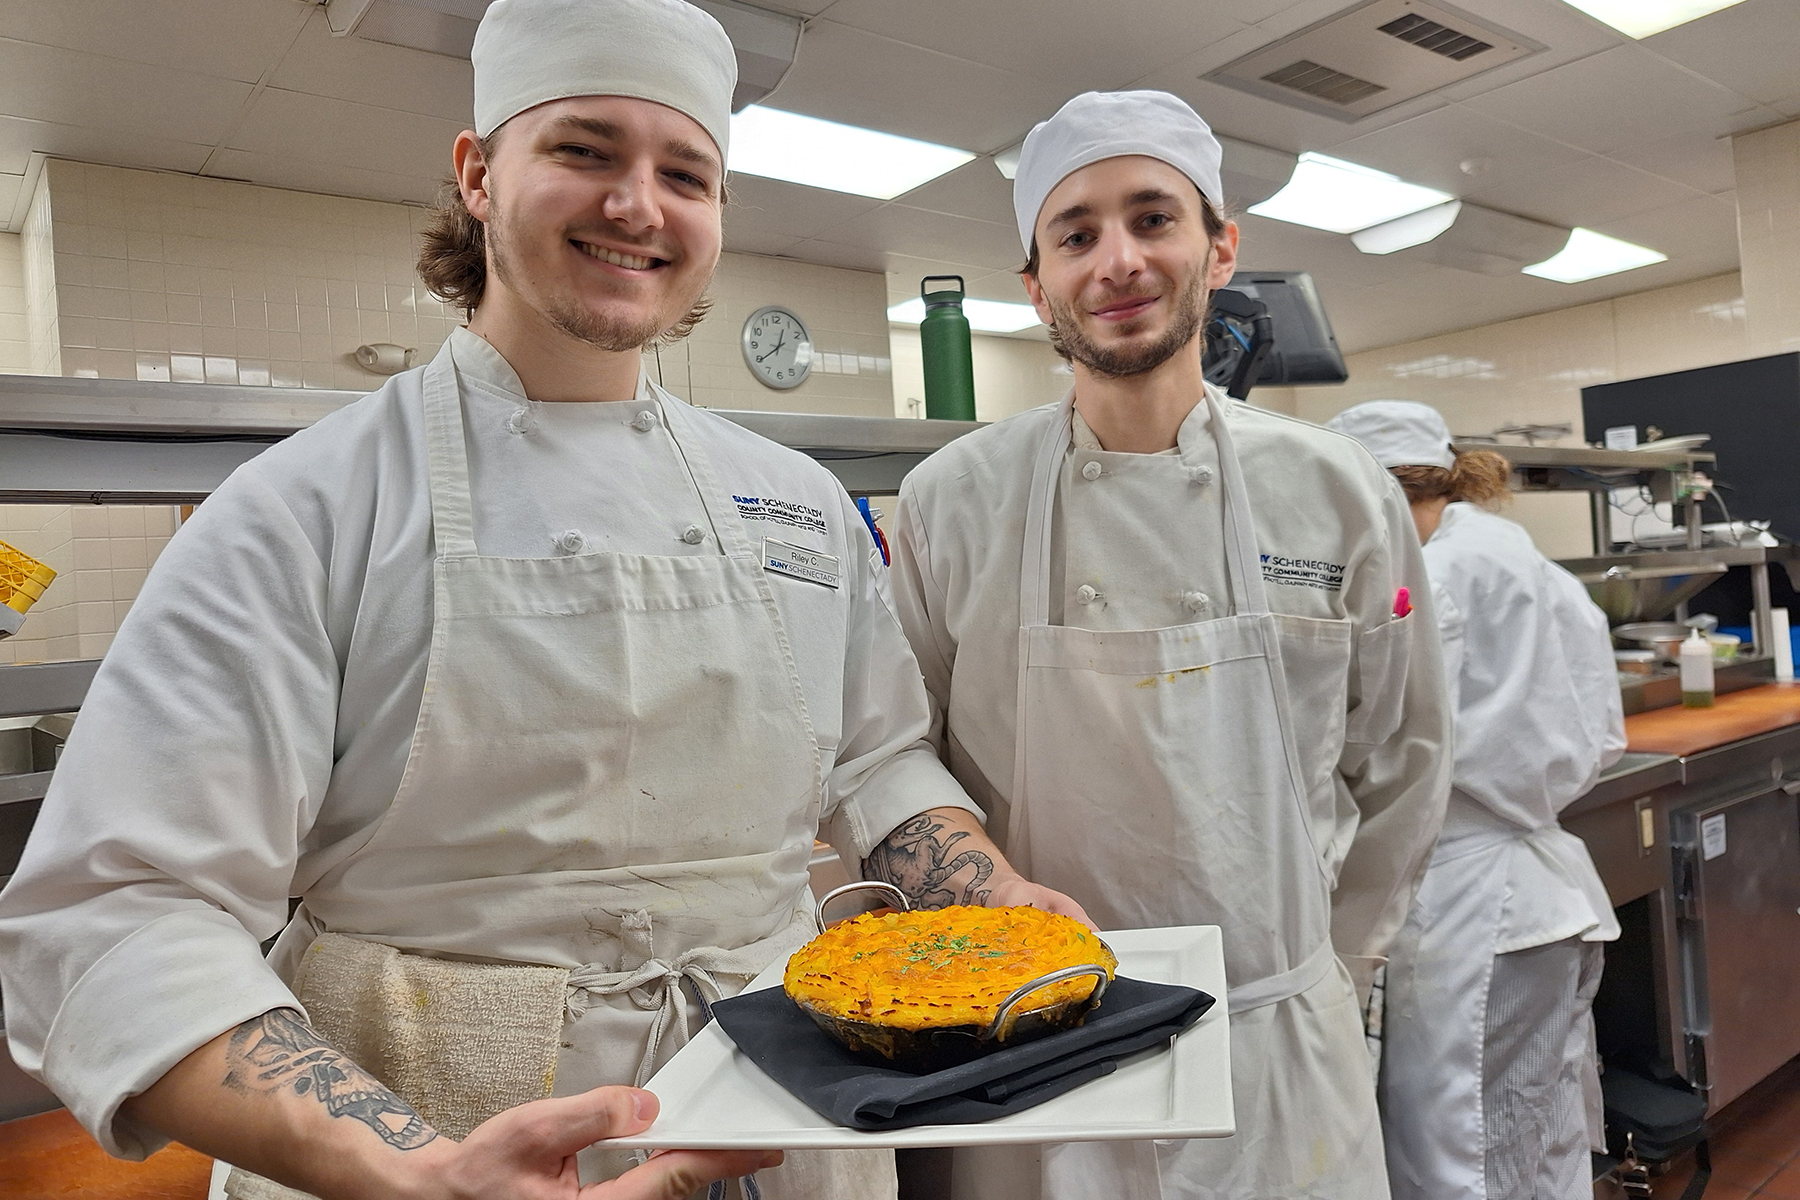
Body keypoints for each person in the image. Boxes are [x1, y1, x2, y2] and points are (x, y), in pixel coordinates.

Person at [0, 2, 1080, 1197]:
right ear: (476, 173)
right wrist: (414, 1170)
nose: (638, 204)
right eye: (584, 149)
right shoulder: (307, 506)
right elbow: (115, 917)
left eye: (686, 173)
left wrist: (1000, 902)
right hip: (418, 1141)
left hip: (783, 1123)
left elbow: (875, 762)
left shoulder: (798, 503)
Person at [888, 90, 1453, 1200]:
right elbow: (898, 748)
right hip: (1031, 1052)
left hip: (1280, 1048)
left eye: (1153, 219)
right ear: (1035, 280)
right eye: (1076, 233)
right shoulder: (951, 500)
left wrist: (1324, 972)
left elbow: (1405, 761)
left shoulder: (1338, 492)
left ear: (1219, 245)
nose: (1118, 261)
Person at [1324, 401, 1624, 1200]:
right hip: (1545, 900)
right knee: (1544, 1146)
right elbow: (1602, 737)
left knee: (1463, 1159)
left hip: (1470, 912)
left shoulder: (1430, 577)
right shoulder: (1528, 562)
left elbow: (1372, 744)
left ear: (1370, 491)